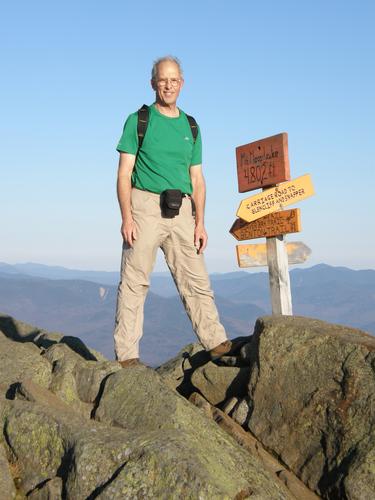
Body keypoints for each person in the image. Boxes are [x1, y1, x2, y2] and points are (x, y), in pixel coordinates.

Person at [114, 56, 233, 367]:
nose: (168, 85)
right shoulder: (138, 120)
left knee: (196, 278)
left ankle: (216, 341)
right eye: (163, 80)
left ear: (182, 83)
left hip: (182, 210)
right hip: (144, 207)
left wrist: (201, 223)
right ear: (153, 83)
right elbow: (124, 173)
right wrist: (127, 217)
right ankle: (127, 356)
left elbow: (197, 178)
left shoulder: (191, 126)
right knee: (135, 280)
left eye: (174, 80)